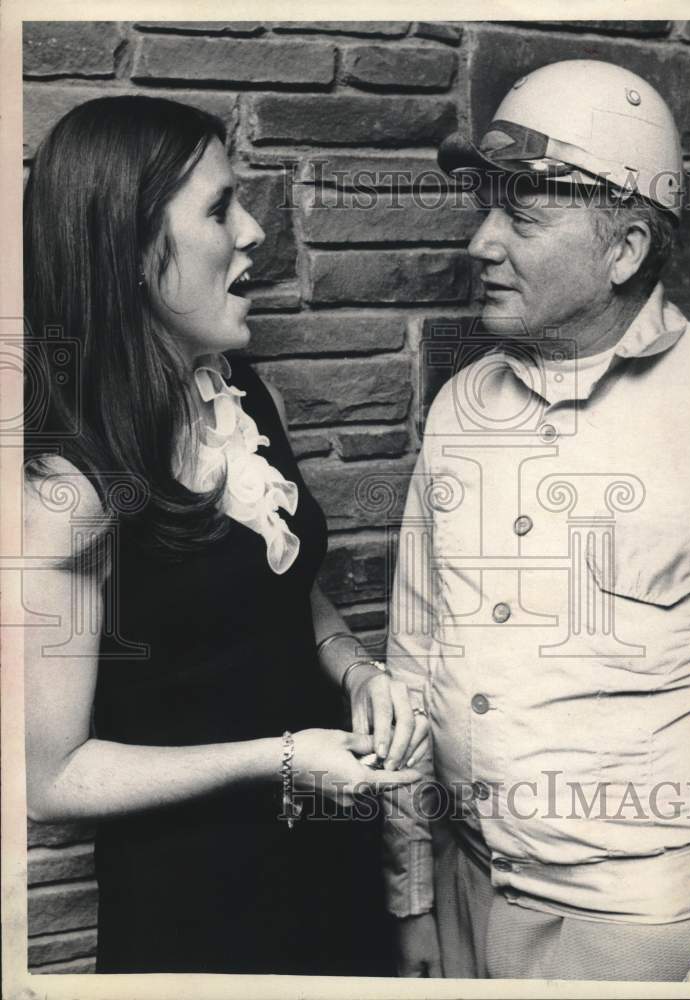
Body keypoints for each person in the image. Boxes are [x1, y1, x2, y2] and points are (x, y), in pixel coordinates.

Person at [22, 95, 428, 975]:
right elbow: (50, 780)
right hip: (203, 908)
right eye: (217, 208)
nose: (253, 232)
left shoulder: (244, 395)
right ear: (127, 252)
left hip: (332, 857)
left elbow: (281, 589)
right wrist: (281, 759)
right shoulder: (72, 481)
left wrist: (355, 667)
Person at [382, 59, 690, 981]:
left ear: (624, 249)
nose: (480, 243)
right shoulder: (461, 406)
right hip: (464, 891)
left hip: (636, 930)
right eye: (486, 208)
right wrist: (411, 892)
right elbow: (414, 658)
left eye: (523, 213)